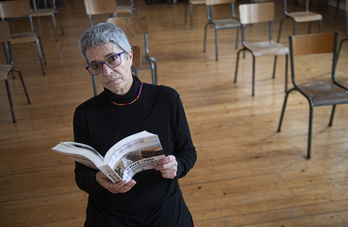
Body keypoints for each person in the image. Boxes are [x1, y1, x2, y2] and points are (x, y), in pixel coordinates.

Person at [74, 22, 197, 226]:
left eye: (112, 58)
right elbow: (82, 176)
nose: (106, 72)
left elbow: (188, 153)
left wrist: (177, 166)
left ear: (130, 56)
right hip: (109, 212)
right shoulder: (84, 114)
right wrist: (98, 181)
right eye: (96, 65)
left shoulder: (167, 99)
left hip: (163, 206)